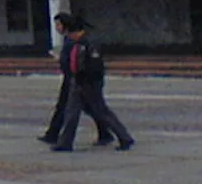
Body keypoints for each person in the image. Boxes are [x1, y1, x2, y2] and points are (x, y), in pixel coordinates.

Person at [52, 15, 135, 152]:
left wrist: (86, 80)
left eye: (60, 26)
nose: (58, 29)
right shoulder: (75, 43)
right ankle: (65, 142)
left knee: (102, 111)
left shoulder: (88, 43)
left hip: (88, 83)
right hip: (77, 81)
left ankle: (124, 137)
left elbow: (95, 67)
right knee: (71, 113)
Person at [39, 13, 111, 147]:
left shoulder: (75, 40)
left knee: (83, 109)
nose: (57, 28)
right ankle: (54, 135)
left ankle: (111, 133)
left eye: (58, 24)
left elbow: (77, 61)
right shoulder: (70, 39)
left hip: (78, 79)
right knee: (81, 108)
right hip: (74, 78)